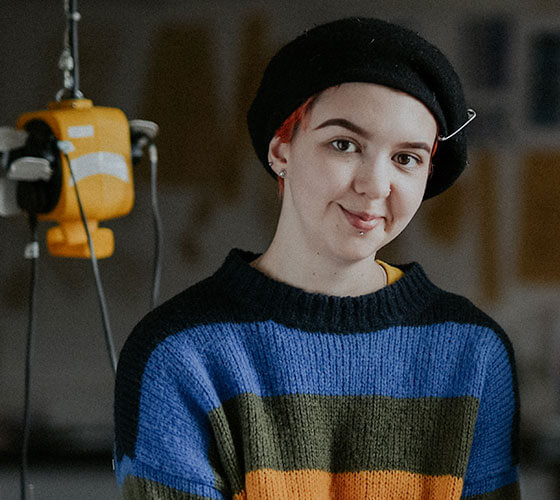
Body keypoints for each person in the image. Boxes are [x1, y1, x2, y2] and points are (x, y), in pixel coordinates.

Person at [113, 17, 521, 499]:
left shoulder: (472, 351)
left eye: (406, 158)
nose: (374, 185)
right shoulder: (181, 355)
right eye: (344, 144)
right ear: (281, 149)